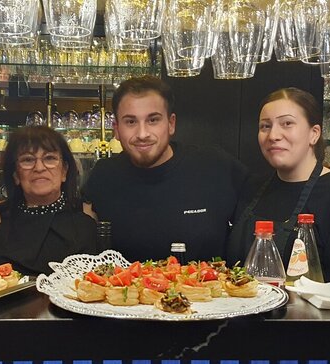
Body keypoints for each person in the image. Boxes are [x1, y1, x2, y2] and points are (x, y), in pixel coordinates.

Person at [82, 76, 249, 262]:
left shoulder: (215, 165)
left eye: (153, 120)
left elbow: (263, 209)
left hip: (207, 289)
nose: (142, 134)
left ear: (171, 124)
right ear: (116, 129)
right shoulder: (103, 176)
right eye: (131, 122)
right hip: (125, 290)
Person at [227, 87, 330, 281]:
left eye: (287, 123)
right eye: (265, 126)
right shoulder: (251, 188)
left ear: (314, 133)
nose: (273, 135)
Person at [0, 126, 97, 275]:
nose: (39, 167)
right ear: (16, 175)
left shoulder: (87, 214)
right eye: (28, 160)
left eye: (49, 158)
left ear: (64, 171)